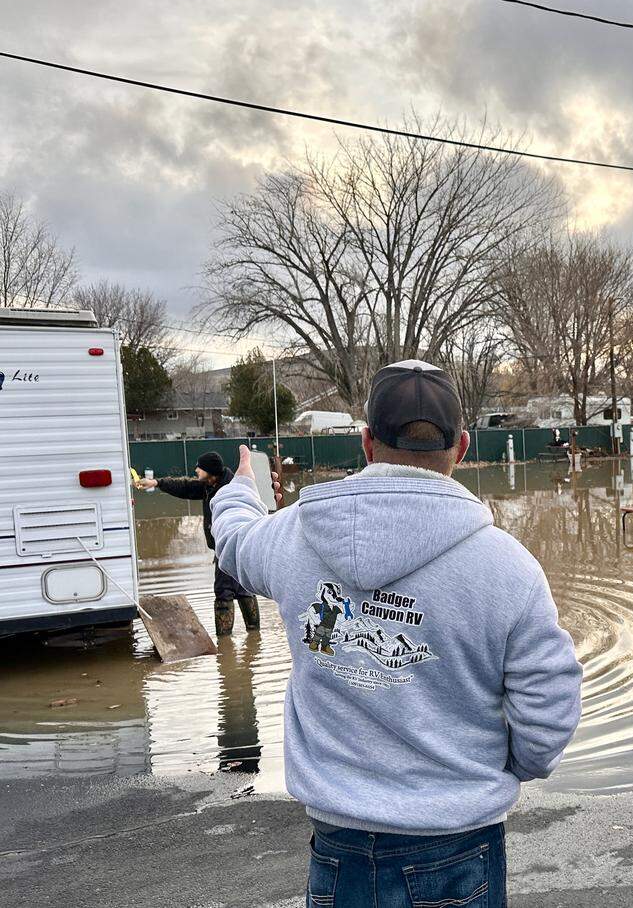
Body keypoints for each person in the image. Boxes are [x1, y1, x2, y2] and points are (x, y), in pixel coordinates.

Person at [211, 359, 582, 907]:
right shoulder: (509, 567)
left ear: (366, 442)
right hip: (458, 844)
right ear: (461, 447)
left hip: (337, 847)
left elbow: (232, 541)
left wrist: (241, 489)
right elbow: (549, 707)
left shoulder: (291, 537)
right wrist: (503, 767)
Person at [135, 451, 260, 636]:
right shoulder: (208, 485)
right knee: (244, 588)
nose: (196, 470)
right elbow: (184, 486)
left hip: (232, 545)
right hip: (231, 547)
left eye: (199, 468)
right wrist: (156, 483)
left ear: (210, 471)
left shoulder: (231, 488)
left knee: (224, 591)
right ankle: (254, 636)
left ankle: (224, 642)